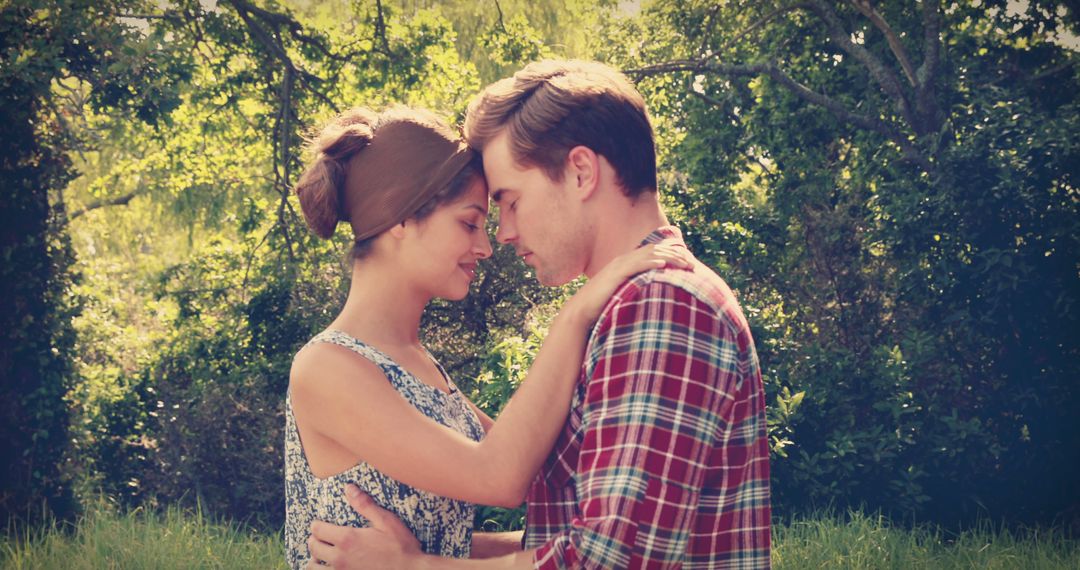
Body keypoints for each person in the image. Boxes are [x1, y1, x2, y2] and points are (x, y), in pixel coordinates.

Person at [306, 60, 772, 569]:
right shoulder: (629, 305)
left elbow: (604, 561)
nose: (501, 235)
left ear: (581, 171)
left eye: (509, 200)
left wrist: (415, 567)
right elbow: (568, 522)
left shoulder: (661, 306)